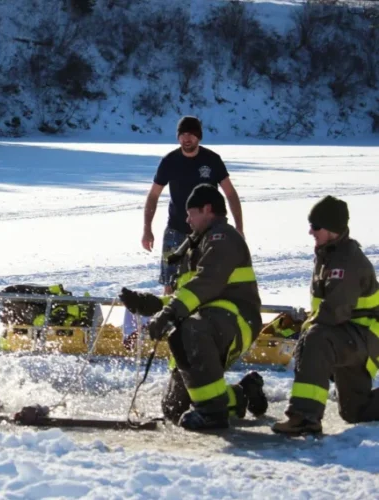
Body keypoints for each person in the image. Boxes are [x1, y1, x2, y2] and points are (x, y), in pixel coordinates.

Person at [121, 184, 266, 431]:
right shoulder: (198, 245)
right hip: (209, 321)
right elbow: (188, 295)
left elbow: (206, 284)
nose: (187, 220)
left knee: (188, 329)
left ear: (207, 209)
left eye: (191, 213)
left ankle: (213, 415)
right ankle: (242, 394)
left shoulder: (222, 237)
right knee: (174, 409)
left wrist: (170, 313)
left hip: (235, 319)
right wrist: (151, 304)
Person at [272, 196, 379, 435]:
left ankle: (304, 417)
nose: (311, 231)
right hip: (347, 335)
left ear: (332, 229)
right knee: (355, 412)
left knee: (316, 339)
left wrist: (305, 335)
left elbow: (334, 312)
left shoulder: (346, 261)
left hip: (361, 336)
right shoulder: (327, 254)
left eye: (316, 226)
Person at [141, 116, 244, 294]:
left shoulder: (212, 160)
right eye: (183, 134)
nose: (186, 138)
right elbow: (153, 195)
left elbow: (230, 194)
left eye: (191, 134)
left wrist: (239, 227)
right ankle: (170, 319)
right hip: (176, 229)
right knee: (171, 283)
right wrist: (147, 228)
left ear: (199, 137)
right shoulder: (169, 161)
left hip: (208, 231)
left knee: (210, 279)